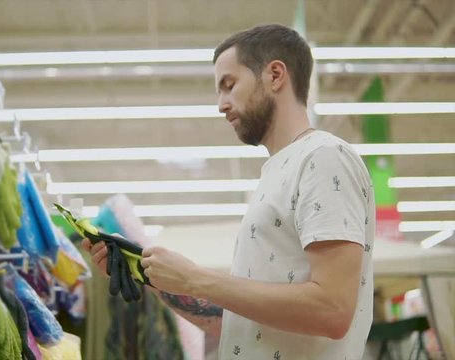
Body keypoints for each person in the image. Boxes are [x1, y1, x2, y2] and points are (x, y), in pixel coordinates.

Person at [82, 23, 374, 360]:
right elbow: (236, 322)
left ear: (275, 75)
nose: (221, 105)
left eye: (229, 85)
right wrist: (149, 274)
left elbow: (333, 310)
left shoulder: (323, 157)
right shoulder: (278, 172)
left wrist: (195, 278)